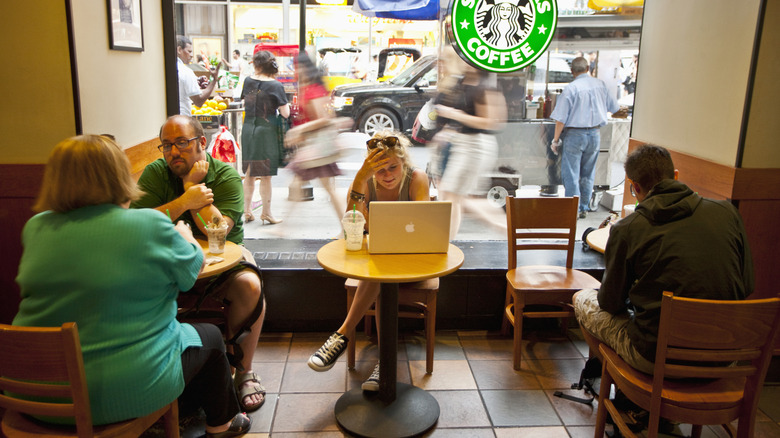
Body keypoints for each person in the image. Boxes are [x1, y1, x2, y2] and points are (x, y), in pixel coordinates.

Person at [14, 134, 251, 436]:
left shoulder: (37, 226)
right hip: (117, 396)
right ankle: (221, 426)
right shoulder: (145, 224)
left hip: (33, 392)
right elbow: (191, 272)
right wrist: (186, 237)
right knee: (209, 338)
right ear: (117, 175)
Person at [573, 145, 754, 374]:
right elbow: (746, 285)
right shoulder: (728, 213)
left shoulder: (628, 229)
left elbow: (610, 303)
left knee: (582, 299)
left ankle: (627, 385)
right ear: (676, 175)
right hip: (724, 356)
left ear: (636, 187)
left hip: (656, 359)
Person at [131, 115, 267, 413]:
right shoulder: (155, 174)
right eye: (166, 145)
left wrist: (193, 189)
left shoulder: (225, 176)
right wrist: (185, 199)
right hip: (166, 265)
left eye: (182, 143)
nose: (173, 153)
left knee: (250, 285)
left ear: (202, 143)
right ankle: (163, 368)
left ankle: (243, 371)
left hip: (224, 262)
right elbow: (136, 225)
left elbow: (218, 229)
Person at [307, 131, 429, 391]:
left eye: (393, 167)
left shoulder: (416, 178)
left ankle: (342, 335)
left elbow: (424, 224)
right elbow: (352, 220)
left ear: (403, 162)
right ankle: (384, 363)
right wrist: (362, 177)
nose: (387, 175)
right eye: (379, 170)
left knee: (378, 276)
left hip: (414, 261)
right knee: (380, 276)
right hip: (379, 259)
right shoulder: (366, 179)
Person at [432, 46, 507, 239]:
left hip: (476, 145)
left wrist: (457, 116)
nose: (464, 61)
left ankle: (504, 227)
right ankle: (449, 241)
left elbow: (492, 122)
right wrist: (449, 128)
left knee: (454, 196)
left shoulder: (484, 86)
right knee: (454, 196)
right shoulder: (464, 83)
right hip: (462, 143)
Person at [283, 53, 352, 230]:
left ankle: (348, 228)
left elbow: (325, 119)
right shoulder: (309, 87)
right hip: (315, 146)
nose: (296, 71)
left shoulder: (314, 89)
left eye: (298, 68)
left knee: (318, 186)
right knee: (311, 185)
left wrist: (300, 130)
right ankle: (346, 228)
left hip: (318, 147)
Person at [549, 56, 619, 219]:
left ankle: (572, 208)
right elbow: (614, 108)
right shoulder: (601, 85)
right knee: (588, 172)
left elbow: (560, 119)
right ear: (588, 69)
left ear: (572, 72)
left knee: (571, 172)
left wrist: (555, 140)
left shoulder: (571, 88)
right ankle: (583, 207)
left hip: (575, 135)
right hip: (595, 134)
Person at [239, 50, 290, 224]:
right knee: (266, 175)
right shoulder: (276, 86)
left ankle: (246, 211)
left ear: (256, 64)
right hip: (266, 130)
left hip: (248, 128)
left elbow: (246, 103)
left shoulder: (248, 81)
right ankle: (266, 213)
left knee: (250, 173)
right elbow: (285, 113)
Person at [177, 35, 221, 116]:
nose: (191, 55)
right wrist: (214, 80)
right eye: (189, 51)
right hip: (182, 120)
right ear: (179, 50)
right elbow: (199, 101)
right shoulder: (185, 72)